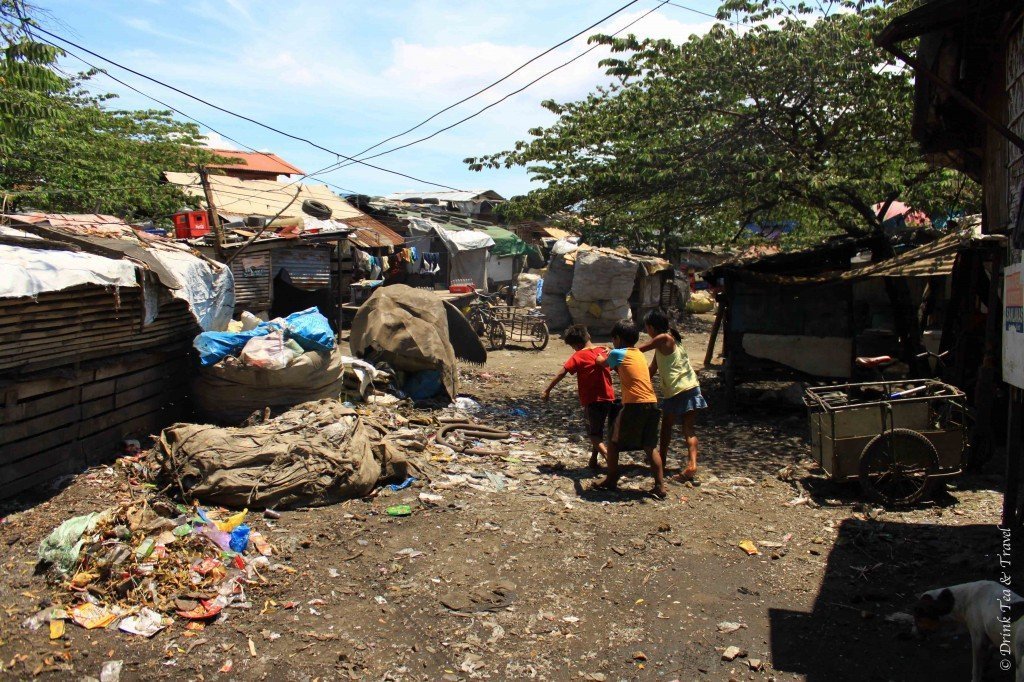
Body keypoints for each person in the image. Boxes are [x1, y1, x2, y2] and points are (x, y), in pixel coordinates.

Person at [594, 319, 665, 498]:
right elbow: (624, 368)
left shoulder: (617, 352)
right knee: (650, 446)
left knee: (613, 442)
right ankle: (660, 486)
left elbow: (603, 363)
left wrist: (599, 356)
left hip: (634, 404)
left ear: (617, 338)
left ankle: (611, 479)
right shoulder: (639, 354)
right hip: (652, 402)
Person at [639, 309, 707, 482]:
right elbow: (652, 370)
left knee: (666, 427)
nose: (647, 331)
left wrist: (617, 353)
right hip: (692, 388)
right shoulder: (671, 340)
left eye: (647, 328)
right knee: (688, 429)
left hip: (677, 391)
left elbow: (640, 349)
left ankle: (661, 458)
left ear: (652, 328)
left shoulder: (664, 338)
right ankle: (692, 465)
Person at [542, 325, 619, 469]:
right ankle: (593, 460)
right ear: (588, 336)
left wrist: (548, 390)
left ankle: (610, 460)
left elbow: (562, 373)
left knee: (593, 434)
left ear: (576, 344)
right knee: (599, 430)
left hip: (593, 400)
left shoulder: (578, 355)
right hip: (609, 398)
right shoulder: (604, 350)